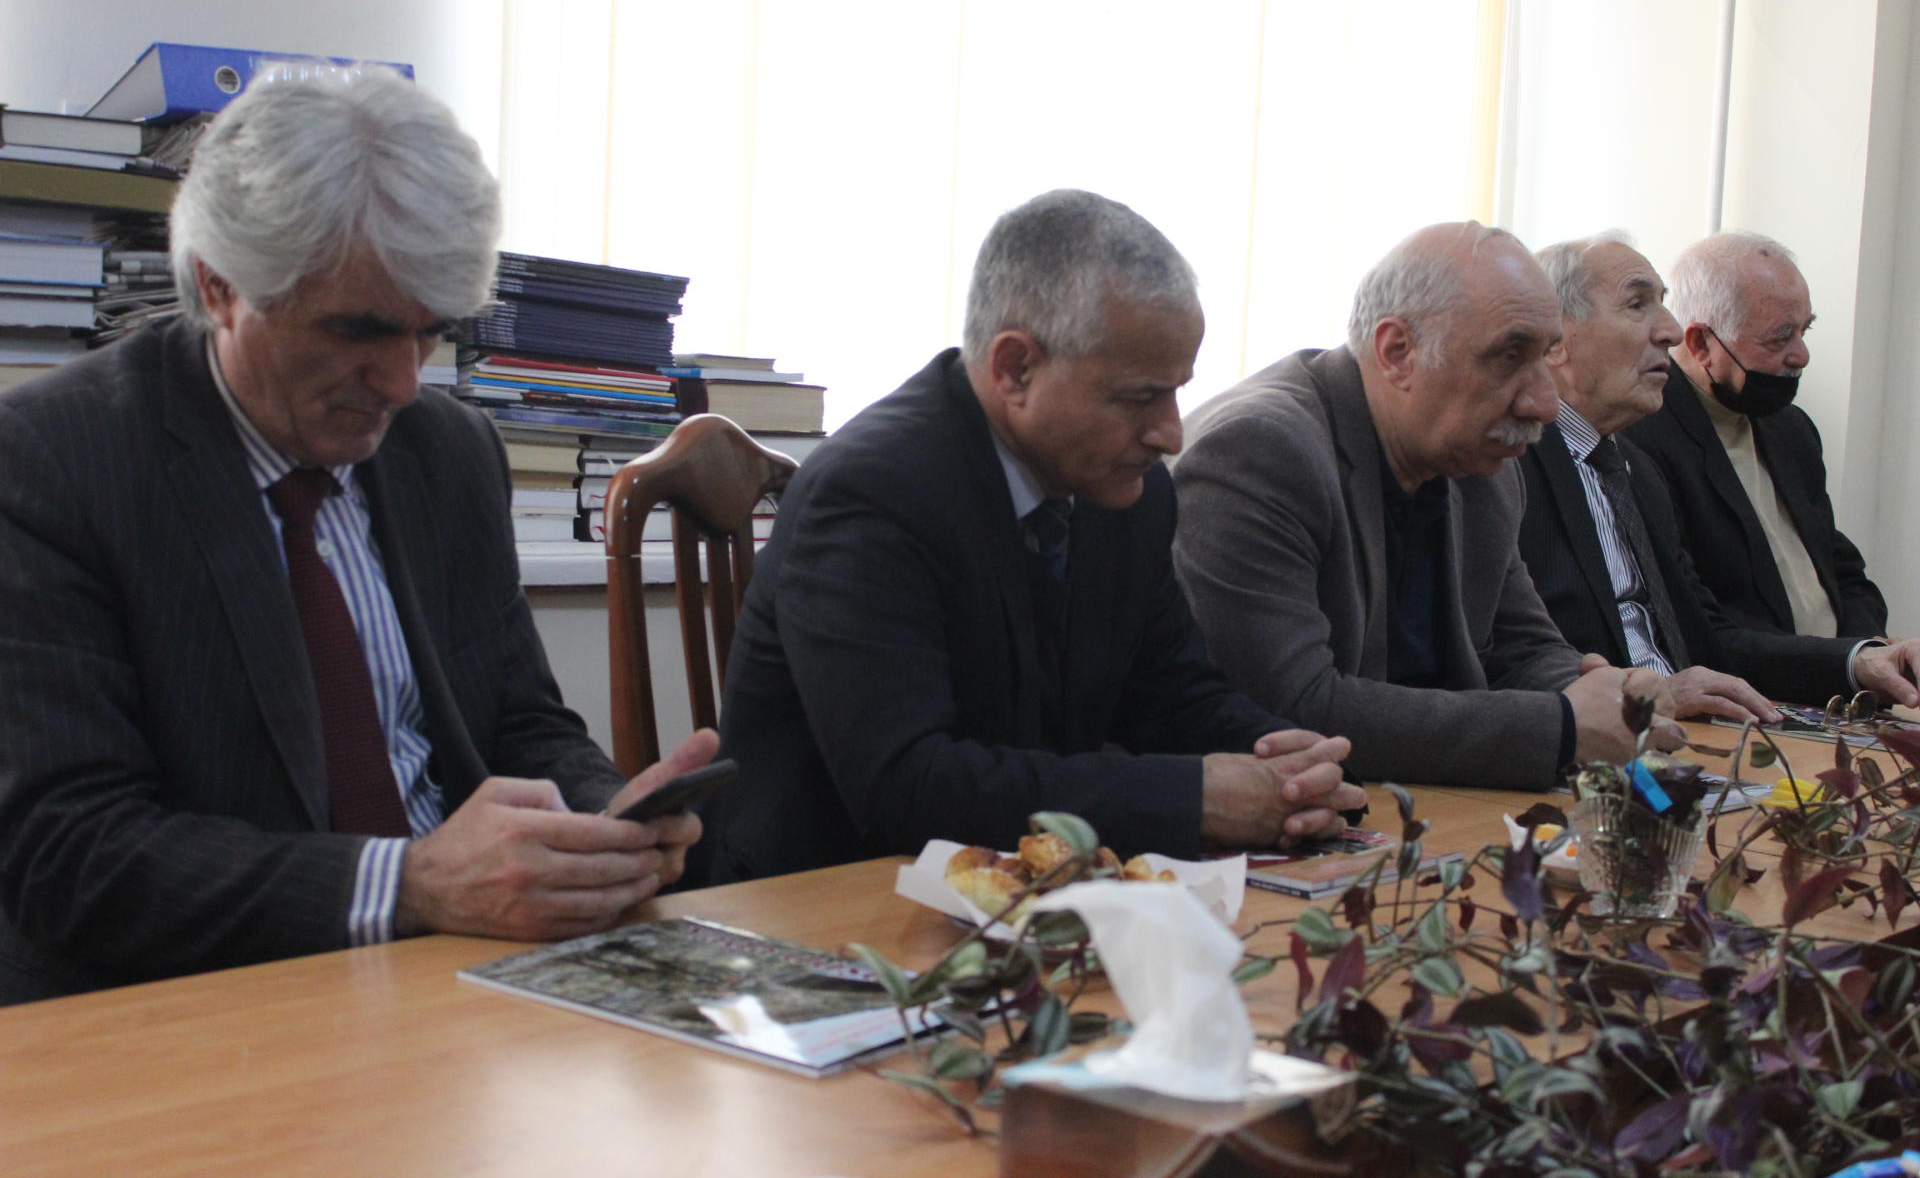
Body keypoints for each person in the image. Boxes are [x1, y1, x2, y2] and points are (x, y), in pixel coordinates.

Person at [0, 68, 715, 1005]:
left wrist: (601, 818)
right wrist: (406, 885)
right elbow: (67, 850)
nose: (404, 383)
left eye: (429, 333)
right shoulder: (50, 463)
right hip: (197, 1005)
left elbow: (520, 723)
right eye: (359, 331)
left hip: (462, 977)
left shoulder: (448, 452)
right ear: (219, 286)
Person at [701, 189, 1365, 884]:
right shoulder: (873, 492)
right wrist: (1196, 799)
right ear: (1015, 368)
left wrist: (1290, 768)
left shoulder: (1126, 491)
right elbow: (908, 785)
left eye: (1177, 391)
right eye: (1140, 397)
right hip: (820, 895)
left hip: (1025, 891)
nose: (1171, 434)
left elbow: (1170, 693)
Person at [1173, 222, 1671, 792]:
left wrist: (1605, 695)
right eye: (1509, 356)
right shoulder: (1258, 450)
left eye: (1545, 355)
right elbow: (1290, 707)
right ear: (1397, 353)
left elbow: (1521, 647)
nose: (1545, 403)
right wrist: (1561, 726)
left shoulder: (1481, 464)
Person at [1521, 232, 1920, 709]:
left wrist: (1859, 657)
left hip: (1728, 717)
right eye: (1637, 304)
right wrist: (1653, 701)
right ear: (1555, 340)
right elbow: (1512, 654)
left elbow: (1701, 631)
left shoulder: (1633, 468)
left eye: (1663, 302)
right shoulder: (1509, 468)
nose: (1669, 330)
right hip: (1609, 730)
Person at [1623, 232, 1890, 642]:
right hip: (1758, 678)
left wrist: (1866, 652)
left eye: (1804, 330)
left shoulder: (1792, 429)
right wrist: (1846, 664)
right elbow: (1703, 624)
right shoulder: (1642, 439)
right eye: (1780, 337)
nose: (1801, 356)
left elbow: (1844, 571)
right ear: (1700, 343)